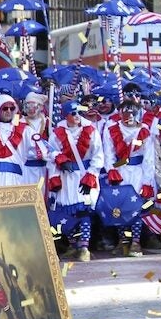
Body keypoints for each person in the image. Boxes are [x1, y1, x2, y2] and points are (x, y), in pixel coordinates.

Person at [100, 97, 158, 256]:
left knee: (137, 207)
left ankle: (136, 242)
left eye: (133, 112)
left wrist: (147, 181)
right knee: (120, 208)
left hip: (138, 171)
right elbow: (109, 152)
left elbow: (149, 158)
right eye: (126, 112)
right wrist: (112, 170)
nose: (130, 116)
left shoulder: (144, 130)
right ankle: (123, 241)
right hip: (120, 172)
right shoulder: (111, 129)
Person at [48, 101, 103, 262]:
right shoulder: (57, 133)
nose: (77, 116)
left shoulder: (91, 131)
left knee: (84, 210)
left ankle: (84, 246)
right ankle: (73, 245)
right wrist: (58, 161)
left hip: (84, 174)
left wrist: (91, 175)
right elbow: (50, 153)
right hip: (66, 176)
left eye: (79, 112)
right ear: (66, 116)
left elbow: (98, 155)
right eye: (73, 113)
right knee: (68, 210)